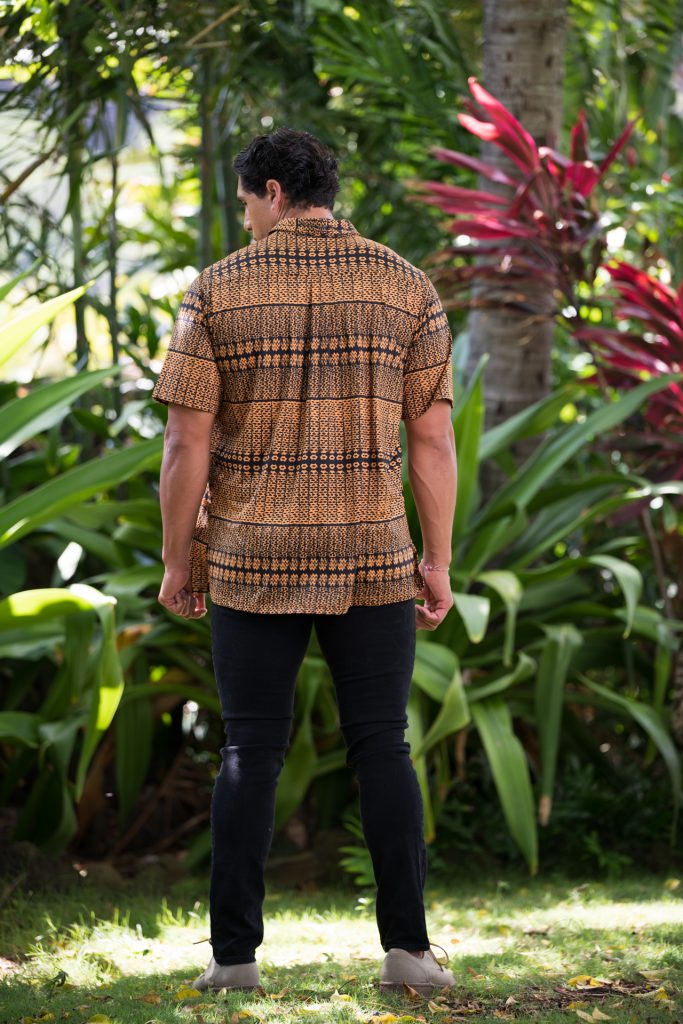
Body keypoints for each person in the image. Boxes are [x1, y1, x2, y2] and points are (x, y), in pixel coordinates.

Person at [152, 127, 458, 995]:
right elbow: (431, 441)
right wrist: (434, 561)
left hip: (252, 557)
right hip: (371, 553)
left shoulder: (217, 291)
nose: (244, 217)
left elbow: (186, 440)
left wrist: (180, 559)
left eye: (246, 200)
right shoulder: (406, 285)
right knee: (383, 748)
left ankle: (234, 962)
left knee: (250, 750)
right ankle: (407, 951)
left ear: (274, 192)